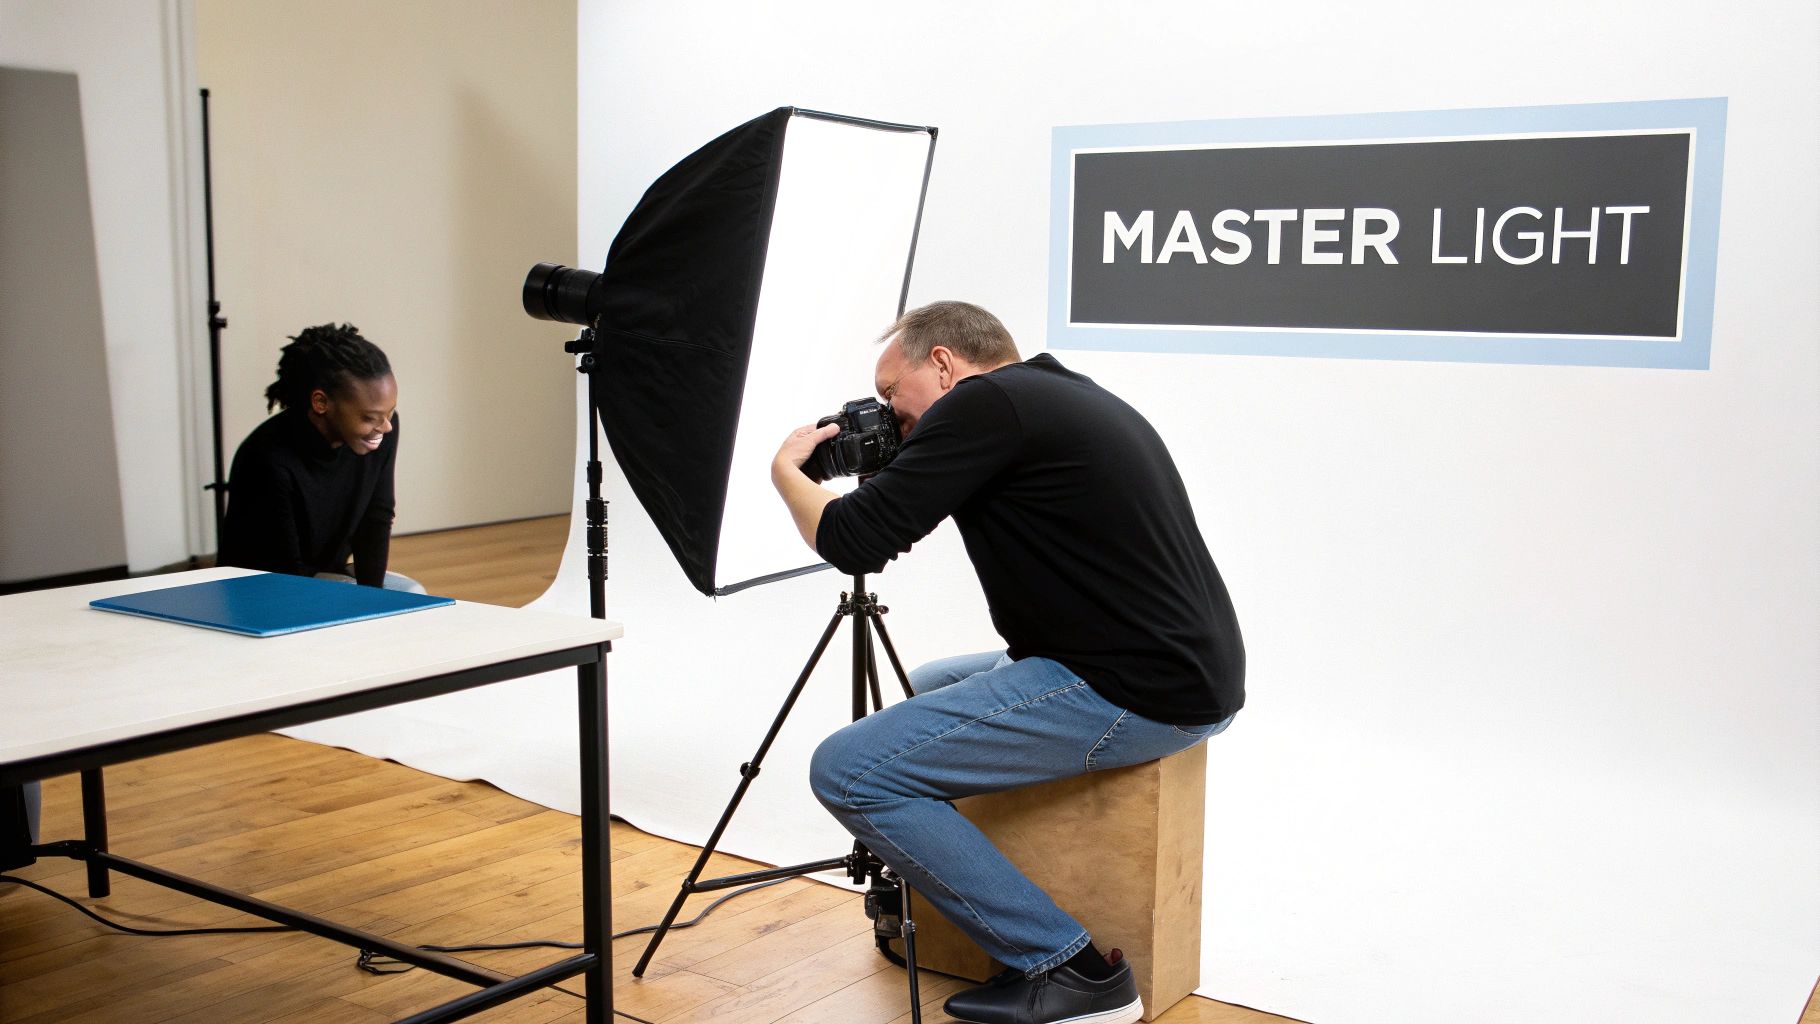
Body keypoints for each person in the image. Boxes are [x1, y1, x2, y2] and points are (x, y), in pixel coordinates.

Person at [771, 301, 1244, 1024]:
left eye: (892, 395)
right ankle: (941, 882)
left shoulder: (983, 404)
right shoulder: (1049, 392)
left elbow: (853, 541)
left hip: (1136, 688)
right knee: (926, 686)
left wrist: (787, 473)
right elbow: (896, 515)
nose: (889, 416)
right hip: (1175, 665)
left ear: (942, 364)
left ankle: (1072, 971)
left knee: (848, 769)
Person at [219, 322, 422, 593]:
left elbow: (376, 518)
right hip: (264, 589)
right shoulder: (267, 459)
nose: (386, 427)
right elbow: (285, 575)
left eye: (390, 412)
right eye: (370, 417)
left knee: (411, 593)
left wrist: (374, 597)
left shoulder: (377, 432)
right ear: (321, 402)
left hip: (322, 574)